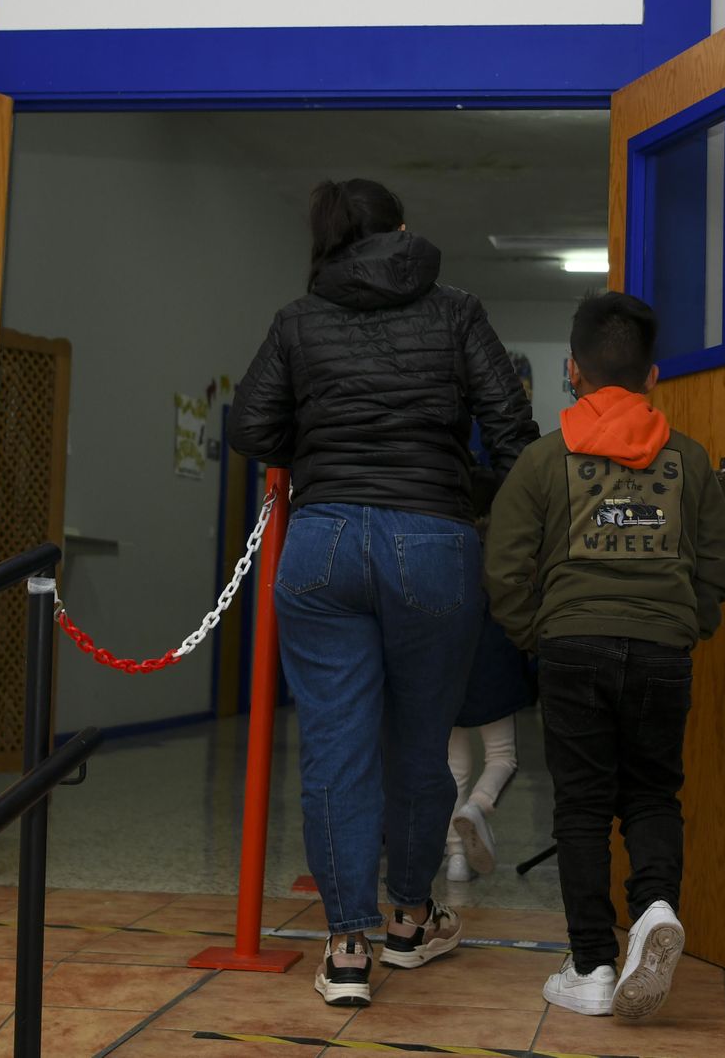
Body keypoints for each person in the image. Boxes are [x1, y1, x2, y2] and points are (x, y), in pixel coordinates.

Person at [229, 178, 537, 1007]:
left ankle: (345, 948)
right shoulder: (457, 310)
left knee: (335, 746)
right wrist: (464, 493)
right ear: (402, 229)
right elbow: (514, 432)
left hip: (322, 541)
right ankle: (409, 919)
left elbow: (249, 427)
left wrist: (322, 444)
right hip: (432, 541)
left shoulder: (299, 320)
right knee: (422, 742)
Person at [483, 291, 725, 1019]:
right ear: (653, 376)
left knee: (583, 806)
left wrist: (537, 635)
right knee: (653, 793)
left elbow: (503, 568)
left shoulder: (542, 460)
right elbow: (720, 566)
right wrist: (685, 623)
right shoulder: (689, 460)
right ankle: (654, 909)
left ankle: (592, 964)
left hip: (572, 645)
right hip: (661, 649)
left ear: (573, 371)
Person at [443, 465, 531, 883]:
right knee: (502, 757)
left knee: (453, 767)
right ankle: (478, 805)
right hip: (495, 664)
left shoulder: (444, 546)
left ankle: (457, 860)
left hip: (447, 667)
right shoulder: (502, 547)